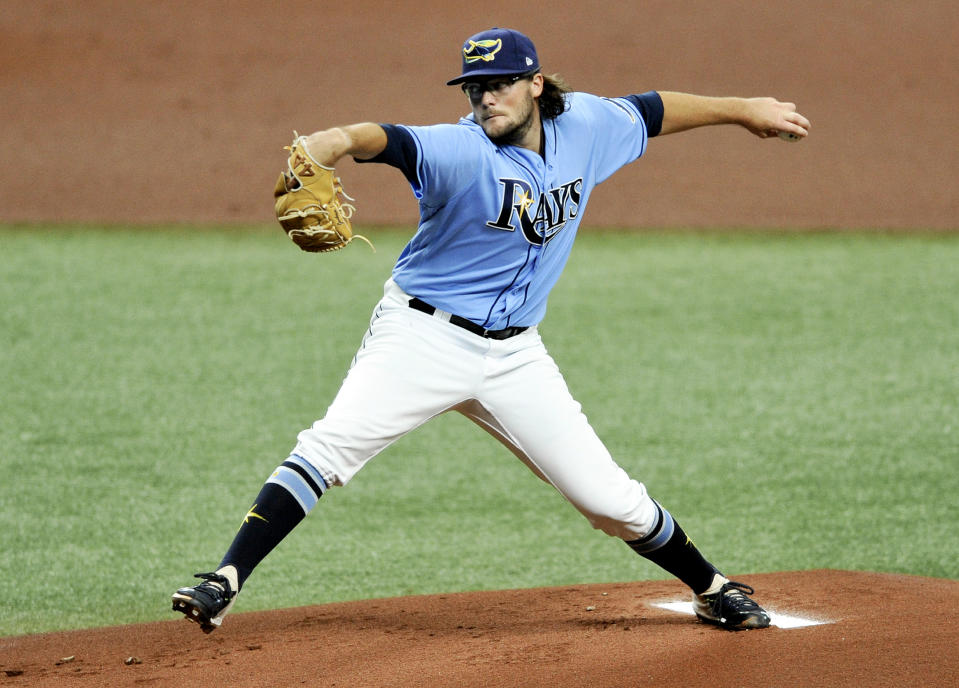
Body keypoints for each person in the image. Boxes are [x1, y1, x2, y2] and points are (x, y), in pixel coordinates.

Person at [172, 27, 809, 633]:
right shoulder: (461, 149)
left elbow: (654, 109)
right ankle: (225, 579)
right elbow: (387, 140)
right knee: (331, 447)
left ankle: (712, 589)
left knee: (608, 499)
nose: (486, 97)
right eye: (475, 87)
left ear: (535, 84)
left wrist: (744, 108)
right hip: (422, 337)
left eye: (500, 83)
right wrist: (333, 140)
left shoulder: (584, 125)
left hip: (515, 357)